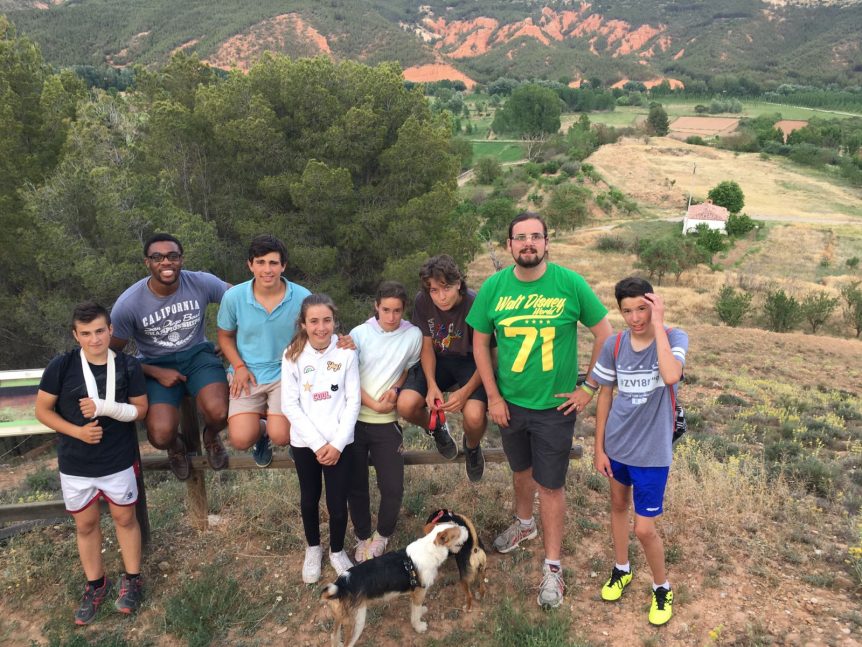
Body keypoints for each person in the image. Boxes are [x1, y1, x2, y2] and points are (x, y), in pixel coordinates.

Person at [466, 212, 613, 608]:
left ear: (547, 242)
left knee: (550, 485)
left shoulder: (570, 283)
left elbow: (605, 333)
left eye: (535, 236)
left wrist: (588, 388)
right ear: (509, 245)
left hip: (554, 407)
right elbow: (480, 344)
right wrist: (494, 397)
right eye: (520, 237)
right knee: (520, 471)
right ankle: (524, 524)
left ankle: (552, 567)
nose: (528, 243)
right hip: (510, 404)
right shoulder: (494, 287)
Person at [35, 302, 148, 625]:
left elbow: (140, 410)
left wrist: (105, 407)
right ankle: (96, 584)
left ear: (111, 330)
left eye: (100, 331)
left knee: (125, 518)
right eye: (86, 333)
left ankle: (133, 579)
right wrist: (78, 432)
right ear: (76, 335)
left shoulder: (127, 366)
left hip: (117, 458)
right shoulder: (61, 366)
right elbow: (42, 411)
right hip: (76, 462)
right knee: (85, 525)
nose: (94, 339)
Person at [590, 277, 688, 626]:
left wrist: (658, 324)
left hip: (652, 453)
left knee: (644, 529)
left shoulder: (674, 337)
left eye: (642, 309)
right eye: (627, 311)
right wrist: (599, 447)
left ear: (654, 305)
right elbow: (605, 395)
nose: (635, 318)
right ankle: (622, 568)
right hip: (617, 445)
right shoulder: (615, 344)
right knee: (618, 506)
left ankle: (662, 588)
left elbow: (671, 375)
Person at [110, 233, 230, 480]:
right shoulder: (128, 304)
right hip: (154, 362)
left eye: (172, 256)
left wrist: (231, 342)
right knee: (160, 435)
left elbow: (243, 300)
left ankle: (210, 435)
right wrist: (153, 371)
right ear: (147, 262)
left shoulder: (200, 282)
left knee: (220, 412)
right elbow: (111, 354)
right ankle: (176, 446)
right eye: (157, 257)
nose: (166, 262)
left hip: (197, 355)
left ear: (181, 259)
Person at [281, 294, 361, 584]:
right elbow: (290, 405)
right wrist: (318, 444)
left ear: (334, 321)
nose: (321, 327)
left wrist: (336, 444)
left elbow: (353, 401)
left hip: (340, 443)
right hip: (306, 444)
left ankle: (337, 551)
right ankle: (313, 548)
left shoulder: (346, 353)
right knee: (309, 498)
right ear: (303, 324)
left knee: (338, 503)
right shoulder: (292, 355)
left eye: (327, 320)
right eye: (313, 321)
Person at [217, 235, 311, 467]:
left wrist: (343, 342)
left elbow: (316, 332)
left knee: (282, 436)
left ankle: (290, 435)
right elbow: (225, 337)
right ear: (250, 265)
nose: (267, 270)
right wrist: (239, 366)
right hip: (247, 372)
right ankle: (262, 432)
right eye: (260, 262)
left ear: (283, 265)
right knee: (240, 439)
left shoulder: (302, 297)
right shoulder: (233, 297)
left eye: (273, 263)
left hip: (286, 372)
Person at [347, 281, 422, 562]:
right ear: (376, 307)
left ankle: (382, 535)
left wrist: (396, 389)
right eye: (386, 310)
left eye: (397, 311)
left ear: (404, 309)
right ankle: (362, 535)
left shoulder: (412, 335)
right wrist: (373, 404)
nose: (391, 317)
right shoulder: (359, 334)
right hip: (354, 421)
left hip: (387, 423)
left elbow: (406, 369)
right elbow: (348, 376)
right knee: (356, 484)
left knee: (392, 486)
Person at [396, 254, 488, 482]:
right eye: (434, 290)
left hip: (471, 360)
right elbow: (427, 346)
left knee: (474, 416)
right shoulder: (423, 301)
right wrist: (432, 385)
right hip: (437, 358)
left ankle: (472, 446)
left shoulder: (474, 303)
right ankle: (437, 428)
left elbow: (487, 356)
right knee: (406, 405)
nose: (441, 297)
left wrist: (464, 393)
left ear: (458, 283)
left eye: (446, 288)